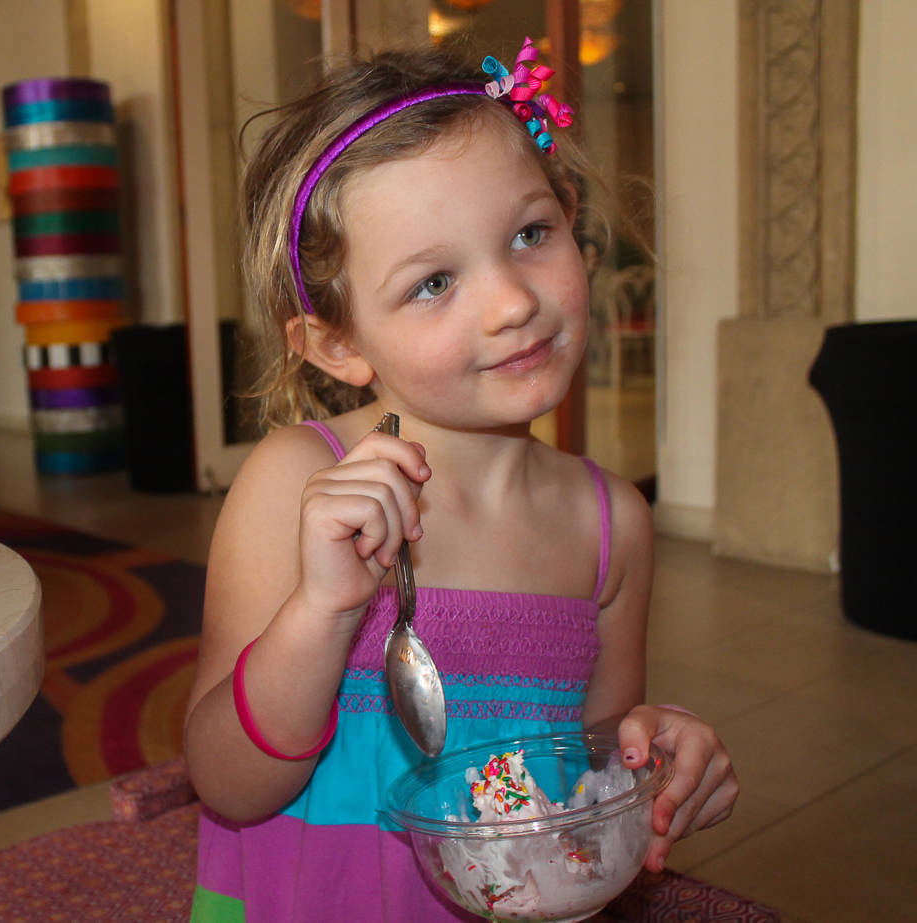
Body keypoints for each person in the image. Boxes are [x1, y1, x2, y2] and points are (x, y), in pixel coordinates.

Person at [184, 38, 738, 922]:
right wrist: (321, 612)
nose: (513, 301)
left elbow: (585, 776)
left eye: (530, 234)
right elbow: (226, 782)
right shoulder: (296, 485)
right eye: (434, 281)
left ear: (571, 217)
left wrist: (651, 758)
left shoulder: (612, 526)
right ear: (338, 343)